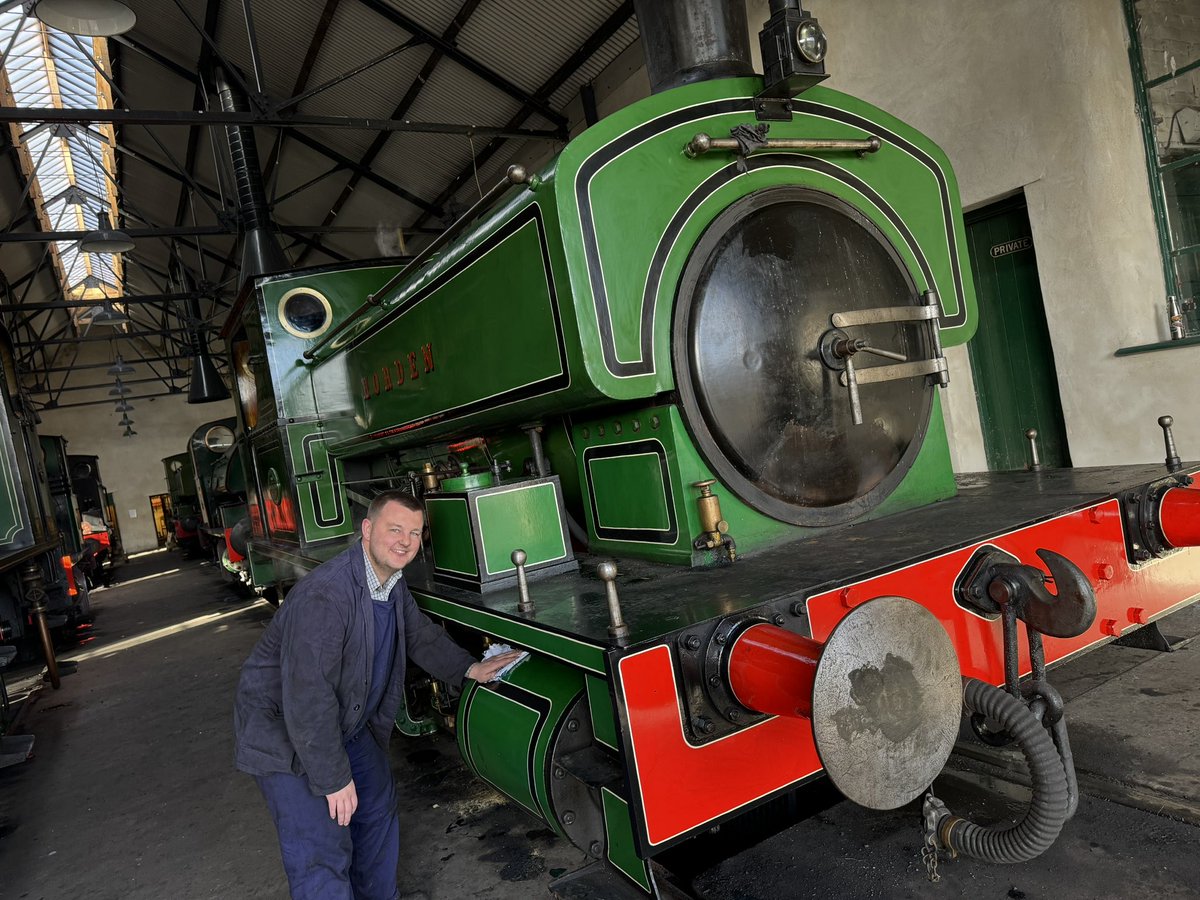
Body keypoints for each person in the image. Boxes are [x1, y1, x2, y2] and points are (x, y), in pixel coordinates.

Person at [233, 490, 522, 900]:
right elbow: (307, 695)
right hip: (286, 732)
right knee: (321, 845)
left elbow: (420, 636)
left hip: (340, 721)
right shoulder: (325, 597)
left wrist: (468, 668)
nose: (405, 540)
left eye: (415, 533)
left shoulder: (389, 584)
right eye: (395, 529)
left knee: (375, 805)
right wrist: (333, 778)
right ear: (367, 529)